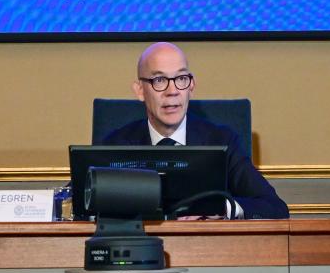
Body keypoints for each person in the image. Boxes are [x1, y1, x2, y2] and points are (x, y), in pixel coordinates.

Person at [101, 41, 288, 219]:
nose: (172, 91)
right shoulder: (115, 145)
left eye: (181, 79)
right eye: (159, 80)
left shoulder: (221, 142)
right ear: (140, 90)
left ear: (192, 86)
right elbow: (79, 204)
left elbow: (275, 207)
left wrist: (221, 207)